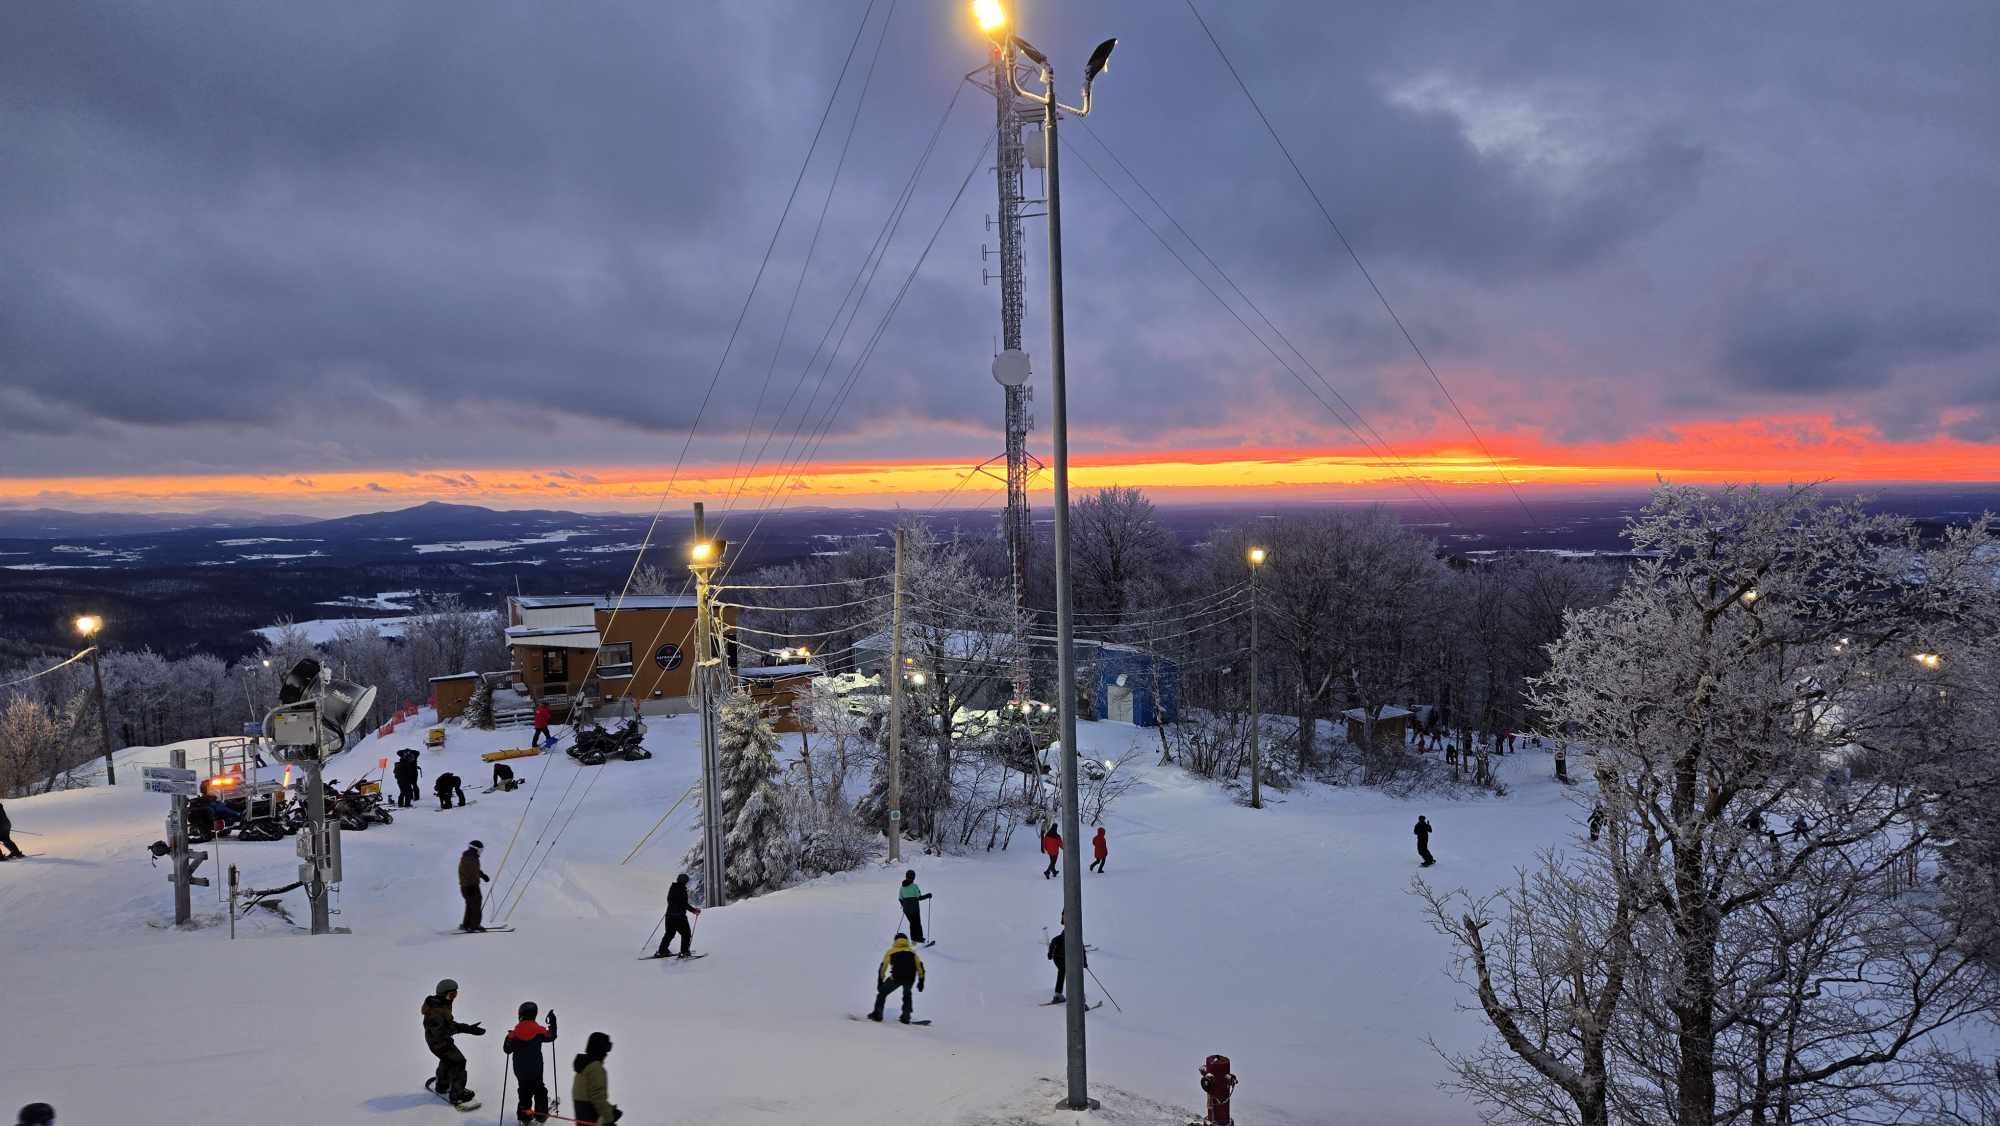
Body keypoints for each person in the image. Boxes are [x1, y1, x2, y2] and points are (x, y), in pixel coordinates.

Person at [421, 978, 485, 1107]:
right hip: (439, 1043)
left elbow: (448, 1024)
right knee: (459, 1062)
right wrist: (466, 1029)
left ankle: (442, 1085)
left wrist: (467, 1028)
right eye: (452, 995)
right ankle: (457, 1095)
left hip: (438, 1041)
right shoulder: (436, 1010)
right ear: (444, 994)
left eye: (455, 994)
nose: (454, 998)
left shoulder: (442, 1003)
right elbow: (442, 1030)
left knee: (447, 1060)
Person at [503, 1001, 558, 1125]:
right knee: (539, 1090)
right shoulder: (539, 1031)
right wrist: (553, 1022)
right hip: (536, 1069)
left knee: (524, 1091)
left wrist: (509, 1038)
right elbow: (552, 1036)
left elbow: (507, 1050)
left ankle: (524, 1117)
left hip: (520, 1070)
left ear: (520, 1015)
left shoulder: (514, 1033)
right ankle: (540, 1115)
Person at [869, 933, 925, 1023]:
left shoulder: (891, 951)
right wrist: (921, 980)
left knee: (882, 993)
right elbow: (920, 966)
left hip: (896, 977)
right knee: (907, 995)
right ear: (906, 940)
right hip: (910, 978)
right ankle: (906, 1017)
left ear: (895, 940)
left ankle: (877, 1014)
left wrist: (880, 981)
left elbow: (883, 967)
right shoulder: (912, 952)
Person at [571, 1031, 620, 1125]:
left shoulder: (583, 1066)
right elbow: (598, 1097)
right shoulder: (595, 1068)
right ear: (600, 1049)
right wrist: (609, 1118)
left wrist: (610, 1110)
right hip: (591, 1116)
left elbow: (590, 1094)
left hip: (582, 1114)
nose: (607, 1054)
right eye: (606, 1049)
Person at [654, 872, 701, 958]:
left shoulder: (673, 888)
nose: (687, 883)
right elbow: (683, 904)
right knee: (686, 934)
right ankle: (684, 952)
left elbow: (670, 901)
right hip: (679, 917)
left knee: (670, 933)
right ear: (684, 881)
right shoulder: (681, 890)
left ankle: (662, 951)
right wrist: (694, 910)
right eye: (687, 881)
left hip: (669, 916)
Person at [1048, 927, 1087, 1004]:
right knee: (1070, 973)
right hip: (1060, 958)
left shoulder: (1062, 938)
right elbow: (1082, 950)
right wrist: (1084, 962)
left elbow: (1082, 950)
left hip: (1063, 958)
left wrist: (1084, 962)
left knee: (1064, 972)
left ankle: (1059, 995)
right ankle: (1078, 998)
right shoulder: (1072, 939)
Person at [459, 840, 491, 932]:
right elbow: (470, 872)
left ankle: (467, 924)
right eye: (480, 850)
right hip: (470, 886)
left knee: (470, 904)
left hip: (467, 886)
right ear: (475, 849)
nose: (480, 852)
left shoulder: (470, 857)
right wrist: (470, 886)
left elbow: (475, 870)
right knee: (476, 904)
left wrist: (483, 876)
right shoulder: (470, 858)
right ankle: (474, 925)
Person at [897, 870, 931, 944]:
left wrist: (904, 905)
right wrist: (928, 895)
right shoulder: (914, 886)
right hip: (914, 909)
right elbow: (919, 897)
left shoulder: (901, 887)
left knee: (912, 923)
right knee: (917, 923)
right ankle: (919, 938)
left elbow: (900, 898)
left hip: (906, 910)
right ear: (913, 877)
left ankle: (914, 938)